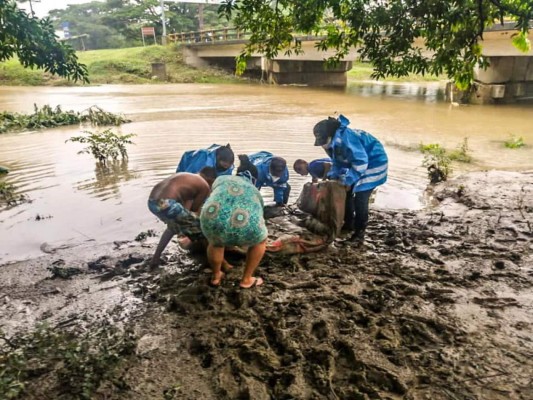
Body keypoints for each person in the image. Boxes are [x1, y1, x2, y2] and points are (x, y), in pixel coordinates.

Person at [313, 114, 388, 245]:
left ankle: (359, 235)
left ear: (331, 135)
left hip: (373, 163)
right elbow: (337, 161)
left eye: (324, 140)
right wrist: (333, 176)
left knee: (360, 198)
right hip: (359, 164)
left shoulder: (347, 139)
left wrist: (348, 180)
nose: (323, 145)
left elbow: (361, 162)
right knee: (347, 193)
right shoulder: (333, 143)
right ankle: (349, 224)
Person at [200, 159, 268, 289]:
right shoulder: (255, 190)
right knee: (261, 240)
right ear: (253, 178)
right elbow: (259, 212)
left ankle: (216, 276)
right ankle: (246, 279)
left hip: (211, 217)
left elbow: (216, 195)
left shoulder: (222, 178)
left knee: (215, 242)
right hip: (245, 224)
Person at [148, 167, 217, 267]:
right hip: (167, 203)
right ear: (211, 181)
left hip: (152, 203)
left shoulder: (189, 177)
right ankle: (215, 262)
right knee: (202, 229)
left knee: (172, 228)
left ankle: (155, 258)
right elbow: (194, 209)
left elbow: (186, 210)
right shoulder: (205, 186)